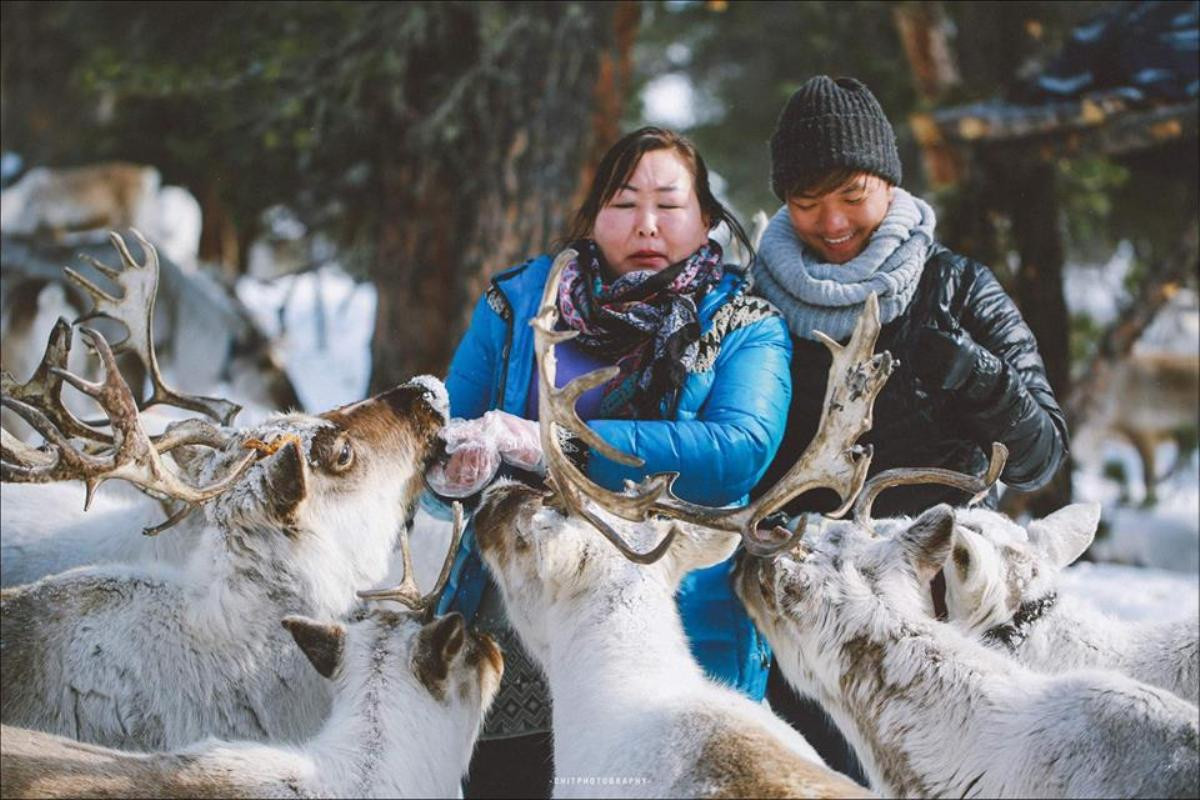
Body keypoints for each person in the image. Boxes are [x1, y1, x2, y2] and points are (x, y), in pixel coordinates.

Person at [425, 126, 793, 799]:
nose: (645, 225)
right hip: (514, 653)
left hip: (666, 645)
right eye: (622, 205)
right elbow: (445, 436)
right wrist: (454, 468)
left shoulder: (745, 324)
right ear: (592, 218)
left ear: (707, 218)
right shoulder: (517, 305)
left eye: (668, 204)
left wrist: (557, 447)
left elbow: (736, 451)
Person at [750, 74, 1070, 781]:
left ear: (888, 185)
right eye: (806, 203)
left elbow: (1041, 457)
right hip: (813, 625)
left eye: (851, 196)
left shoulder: (957, 287)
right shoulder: (752, 304)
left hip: (943, 622)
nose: (832, 223)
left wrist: (974, 374)